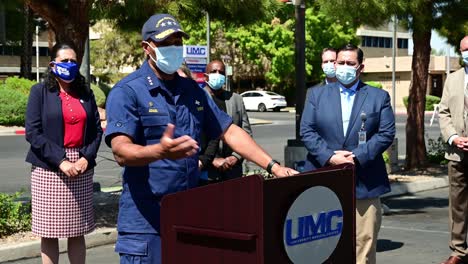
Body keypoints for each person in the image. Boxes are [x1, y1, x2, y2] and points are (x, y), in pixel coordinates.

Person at [104, 13, 297, 264]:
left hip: (187, 216)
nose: (174, 49)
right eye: (166, 43)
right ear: (146, 48)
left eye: (178, 42)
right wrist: (158, 152)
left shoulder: (193, 91)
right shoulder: (127, 91)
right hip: (146, 223)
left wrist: (274, 166)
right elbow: (121, 151)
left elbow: (229, 131)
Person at [300, 43, 395, 264]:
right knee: (322, 243)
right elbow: (306, 131)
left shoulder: (378, 97)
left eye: (350, 63)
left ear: (360, 67)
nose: (343, 67)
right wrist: (330, 157)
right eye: (339, 62)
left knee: (364, 242)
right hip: (324, 176)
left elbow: (386, 133)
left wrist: (356, 156)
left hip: (365, 181)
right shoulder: (316, 95)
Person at [25, 42, 103, 264]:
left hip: (81, 167)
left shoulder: (86, 93)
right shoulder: (39, 92)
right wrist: (61, 161)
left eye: (73, 60)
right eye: (64, 60)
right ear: (52, 65)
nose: (70, 64)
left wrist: (86, 157)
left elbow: (97, 131)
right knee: (49, 231)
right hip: (49, 169)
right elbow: (33, 132)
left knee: (76, 229)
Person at [438, 35, 468, 264]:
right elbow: (444, 112)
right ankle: (458, 251)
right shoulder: (453, 78)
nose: (466, 53)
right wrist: (454, 137)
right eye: (463, 49)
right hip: (457, 153)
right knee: (457, 205)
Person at [198, 60, 252, 184]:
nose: (218, 75)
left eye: (221, 72)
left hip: (232, 171)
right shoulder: (198, 98)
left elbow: (246, 132)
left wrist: (235, 157)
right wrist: (211, 160)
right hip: (205, 172)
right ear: (205, 76)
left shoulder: (236, 99)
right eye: (213, 72)